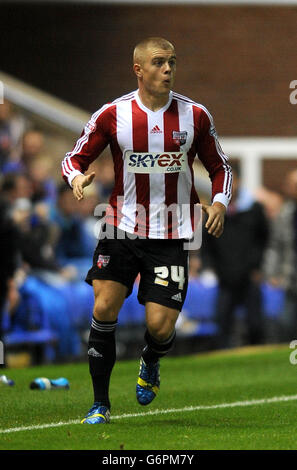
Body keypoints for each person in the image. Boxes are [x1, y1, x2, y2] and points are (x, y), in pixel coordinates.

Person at [61, 37, 232, 424]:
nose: (168, 69)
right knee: (104, 307)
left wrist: (219, 202)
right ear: (139, 69)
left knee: (159, 326)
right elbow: (74, 157)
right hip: (121, 225)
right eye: (159, 63)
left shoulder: (195, 116)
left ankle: (151, 358)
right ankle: (100, 404)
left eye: (172, 62)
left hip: (172, 232)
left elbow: (221, 167)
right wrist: (75, 177)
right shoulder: (113, 114)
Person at [202, 165, 269, 348]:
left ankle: (258, 358)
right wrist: (210, 267)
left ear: (239, 182)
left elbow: (263, 240)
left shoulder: (254, 209)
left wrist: (257, 267)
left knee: (255, 324)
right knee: (223, 324)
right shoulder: (214, 211)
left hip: (250, 276)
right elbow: (206, 243)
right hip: (225, 278)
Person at [263, 168, 297, 340]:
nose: (289, 188)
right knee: (286, 324)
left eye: (293, 185)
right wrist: (272, 273)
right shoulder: (285, 214)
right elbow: (275, 246)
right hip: (291, 278)